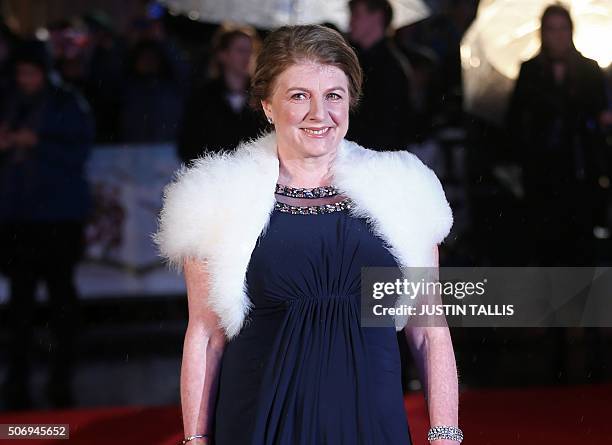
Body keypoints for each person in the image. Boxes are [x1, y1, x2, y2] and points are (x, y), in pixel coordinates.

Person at [154, 25, 461, 445]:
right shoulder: (216, 196)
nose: (320, 114)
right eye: (299, 96)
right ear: (267, 106)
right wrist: (195, 439)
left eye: (333, 95)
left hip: (372, 420)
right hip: (260, 420)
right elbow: (206, 336)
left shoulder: (404, 189)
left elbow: (429, 329)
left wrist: (446, 434)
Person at [0, 40, 94, 409]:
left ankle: (61, 377)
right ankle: (17, 378)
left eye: (31, 73)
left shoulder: (66, 102)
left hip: (59, 216)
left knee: (60, 300)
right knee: (20, 301)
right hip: (16, 216)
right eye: (21, 73)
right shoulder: (7, 99)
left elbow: (80, 151)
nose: (26, 80)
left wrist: (38, 142)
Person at [506, 4, 609, 266]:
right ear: (543, 33)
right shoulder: (530, 71)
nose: (558, 35)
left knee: (580, 241)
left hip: (580, 166)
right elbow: (516, 119)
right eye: (552, 29)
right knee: (547, 241)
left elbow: (598, 113)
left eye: (562, 29)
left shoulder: (589, 69)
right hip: (543, 168)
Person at [177, 25, 265, 164]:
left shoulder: (261, 95)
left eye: (250, 51)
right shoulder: (203, 97)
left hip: (251, 174)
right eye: (241, 50)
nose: (247, 56)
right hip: (213, 175)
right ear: (223, 55)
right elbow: (189, 144)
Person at [346, 0, 415, 151]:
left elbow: (388, 128)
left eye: (356, 15)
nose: (350, 21)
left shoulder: (389, 67)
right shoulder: (358, 59)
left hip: (373, 160)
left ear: (377, 17)